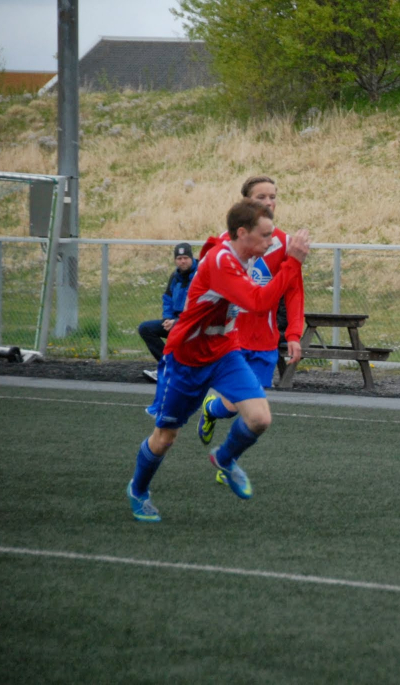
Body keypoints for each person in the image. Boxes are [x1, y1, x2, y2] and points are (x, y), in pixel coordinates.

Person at [126, 199, 311, 522]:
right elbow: (258, 302)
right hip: (186, 359)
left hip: (224, 352)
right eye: (265, 235)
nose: (271, 242)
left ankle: (224, 459)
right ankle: (138, 490)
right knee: (165, 438)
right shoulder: (222, 261)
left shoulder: (241, 253)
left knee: (260, 418)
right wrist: (293, 261)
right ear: (242, 233)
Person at [195, 176, 305, 486]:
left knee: (249, 413)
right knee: (240, 406)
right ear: (245, 202)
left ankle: (224, 449)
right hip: (230, 339)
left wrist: (293, 334)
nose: (269, 203)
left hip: (264, 341)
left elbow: (294, 291)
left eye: (273, 197)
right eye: (261, 197)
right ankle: (221, 440)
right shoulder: (224, 243)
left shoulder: (284, 244)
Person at [137, 243, 197, 382]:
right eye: (179, 258)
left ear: (192, 258)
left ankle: (177, 371)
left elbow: (200, 305)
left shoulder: (200, 275)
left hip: (193, 323)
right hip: (174, 320)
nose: (182, 261)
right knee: (145, 328)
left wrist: (177, 322)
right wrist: (167, 318)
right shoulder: (175, 276)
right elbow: (167, 299)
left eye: (186, 258)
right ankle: (168, 368)